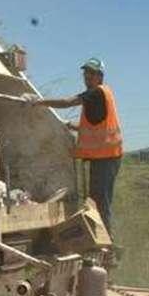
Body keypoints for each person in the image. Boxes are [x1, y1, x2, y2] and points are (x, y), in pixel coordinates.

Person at [25, 58, 123, 231]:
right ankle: (100, 238)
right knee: (97, 200)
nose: (87, 76)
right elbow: (94, 127)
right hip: (105, 157)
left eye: (92, 73)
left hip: (106, 157)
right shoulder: (98, 96)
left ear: (100, 76)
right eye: (85, 73)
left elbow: (66, 102)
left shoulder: (96, 93)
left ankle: (106, 242)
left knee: (100, 202)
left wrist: (38, 101)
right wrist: (71, 125)